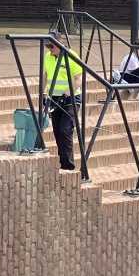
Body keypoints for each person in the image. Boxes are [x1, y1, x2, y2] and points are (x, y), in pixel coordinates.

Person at [41, 34, 83, 172]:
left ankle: (69, 166)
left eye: (51, 46)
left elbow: (78, 79)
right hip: (54, 98)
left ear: (59, 44)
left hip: (70, 98)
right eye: (47, 46)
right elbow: (45, 76)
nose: (49, 48)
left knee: (65, 129)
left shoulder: (71, 56)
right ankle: (63, 162)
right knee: (57, 131)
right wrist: (43, 93)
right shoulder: (47, 57)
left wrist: (67, 93)